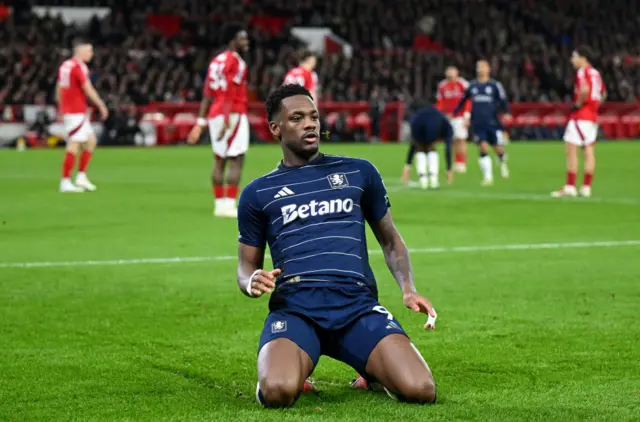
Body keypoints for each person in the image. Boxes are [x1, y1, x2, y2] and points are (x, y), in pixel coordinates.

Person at [237, 84, 438, 408]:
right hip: (297, 310)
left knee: (420, 390)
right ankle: (294, 364)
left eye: (314, 116)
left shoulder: (359, 172)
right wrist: (251, 282)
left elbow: (390, 240)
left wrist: (408, 288)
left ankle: (370, 369)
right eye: (298, 118)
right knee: (277, 391)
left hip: (356, 307)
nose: (310, 124)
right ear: (276, 127)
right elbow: (246, 266)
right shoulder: (257, 193)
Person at [187, 23, 250, 217]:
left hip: (215, 112)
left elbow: (207, 93)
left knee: (219, 159)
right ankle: (229, 205)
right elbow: (230, 92)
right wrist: (226, 118)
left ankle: (219, 204)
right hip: (232, 113)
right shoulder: (236, 61)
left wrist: (200, 121)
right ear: (233, 40)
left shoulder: (216, 61)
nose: (246, 42)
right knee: (236, 158)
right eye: (242, 38)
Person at [552, 46, 605, 198]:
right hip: (592, 117)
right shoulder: (596, 73)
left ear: (583, 58)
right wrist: (593, 107)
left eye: (574, 57)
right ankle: (586, 187)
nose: (572, 60)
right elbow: (603, 93)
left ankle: (570, 186)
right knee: (589, 152)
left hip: (581, 116)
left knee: (571, 149)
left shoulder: (583, 71)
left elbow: (584, 90)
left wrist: (577, 105)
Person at [57, 37, 108, 193]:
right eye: (89, 50)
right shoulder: (78, 67)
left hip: (72, 110)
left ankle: (81, 177)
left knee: (91, 140)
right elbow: (88, 88)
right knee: (74, 144)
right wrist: (101, 105)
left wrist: (61, 107)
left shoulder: (65, 65)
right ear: (80, 51)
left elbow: (59, 87)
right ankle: (65, 181)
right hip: (75, 111)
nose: (91, 54)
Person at [453, 60, 511, 186]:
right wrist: (456, 113)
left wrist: (506, 113)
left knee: (498, 148)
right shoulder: (472, 86)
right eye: (478, 67)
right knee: (483, 147)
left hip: (493, 122)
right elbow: (463, 101)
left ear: (488, 69)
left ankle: (502, 164)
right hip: (478, 123)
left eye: (483, 67)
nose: (480, 69)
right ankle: (487, 176)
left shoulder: (495, 85)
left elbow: (503, 100)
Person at [401, 105, 454, 189]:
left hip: (416, 123)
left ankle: (423, 180)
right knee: (430, 148)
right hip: (419, 123)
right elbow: (448, 148)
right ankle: (433, 180)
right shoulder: (447, 127)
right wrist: (449, 169)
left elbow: (413, 145)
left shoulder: (443, 123)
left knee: (421, 148)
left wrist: (407, 166)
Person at [435, 66, 470, 173]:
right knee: (452, 140)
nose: (450, 75)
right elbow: (439, 102)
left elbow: (468, 101)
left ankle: (462, 162)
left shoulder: (463, 84)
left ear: (457, 73)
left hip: (460, 116)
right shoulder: (442, 85)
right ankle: (456, 162)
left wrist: (467, 116)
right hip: (447, 116)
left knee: (461, 139)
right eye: (448, 73)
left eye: (452, 73)